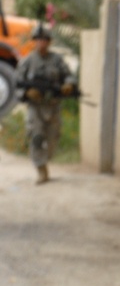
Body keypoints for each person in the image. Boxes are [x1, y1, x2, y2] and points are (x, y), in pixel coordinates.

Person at [16, 24, 76, 184]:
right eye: (38, 40)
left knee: (53, 138)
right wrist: (27, 93)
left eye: (44, 40)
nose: (41, 43)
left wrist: (68, 85)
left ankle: (45, 159)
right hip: (36, 107)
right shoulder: (27, 61)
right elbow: (16, 84)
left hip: (53, 105)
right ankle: (41, 169)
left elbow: (69, 76)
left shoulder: (57, 60)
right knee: (36, 137)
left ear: (49, 42)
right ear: (34, 42)